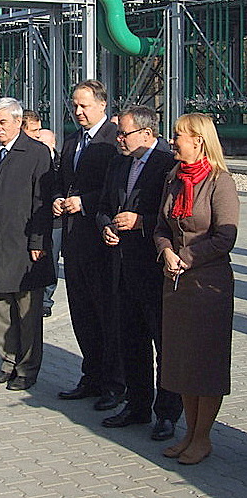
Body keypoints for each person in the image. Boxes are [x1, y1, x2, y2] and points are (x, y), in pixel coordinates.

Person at [154, 113, 239, 464]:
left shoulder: (220, 182)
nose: (172, 141)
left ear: (198, 141)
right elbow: (161, 225)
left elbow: (225, 237)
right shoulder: (174, 177)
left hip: (208, 285)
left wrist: (186, 257)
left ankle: (203, 437)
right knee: (182, 363)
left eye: (178, 135)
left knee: (206, 364)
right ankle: (189, 433)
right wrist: (166, 251)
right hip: (176, 285)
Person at [96, 106, 182, 441]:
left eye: (124, 133)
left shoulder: (167, 165)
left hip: (154, 269)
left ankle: (167, 413)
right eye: (118, 132)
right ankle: (137, 405)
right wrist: (107, 226)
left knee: (164, 344)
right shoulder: (119, 162)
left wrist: (141, 221)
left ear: (147, 134)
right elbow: (105, 206)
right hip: (123, 268)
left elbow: (175, 218)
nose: (118, 139)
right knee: (131, 341)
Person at [0, 97, 53, 391]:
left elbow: (42, 202)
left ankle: (27, 369)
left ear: (18, 122)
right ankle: (7, 363)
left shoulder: (36, 153)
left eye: (3, 122)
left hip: (24, 245)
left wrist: (38, 241)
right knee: (0, 308)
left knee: (27, 311)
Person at [53, 80, 125, 410]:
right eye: (74, 105)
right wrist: (57, 198)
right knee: (81, 313)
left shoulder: (113, 140)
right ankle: (91, 374)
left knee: (107, 313)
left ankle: (115, 382)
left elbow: (117, 189)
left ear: (102, 105)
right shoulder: (72, 141)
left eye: (84, 105)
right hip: (74, 242)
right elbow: (61, 181)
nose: (78, 111)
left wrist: (84, 202)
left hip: (102, 242)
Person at [38, 129, 62, 318]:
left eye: (44, 143)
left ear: (53, 144)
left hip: (56, 221)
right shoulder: (34, 160)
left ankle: (46, 300)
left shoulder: (61, 163)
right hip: (38, 218)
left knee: (52, 261)